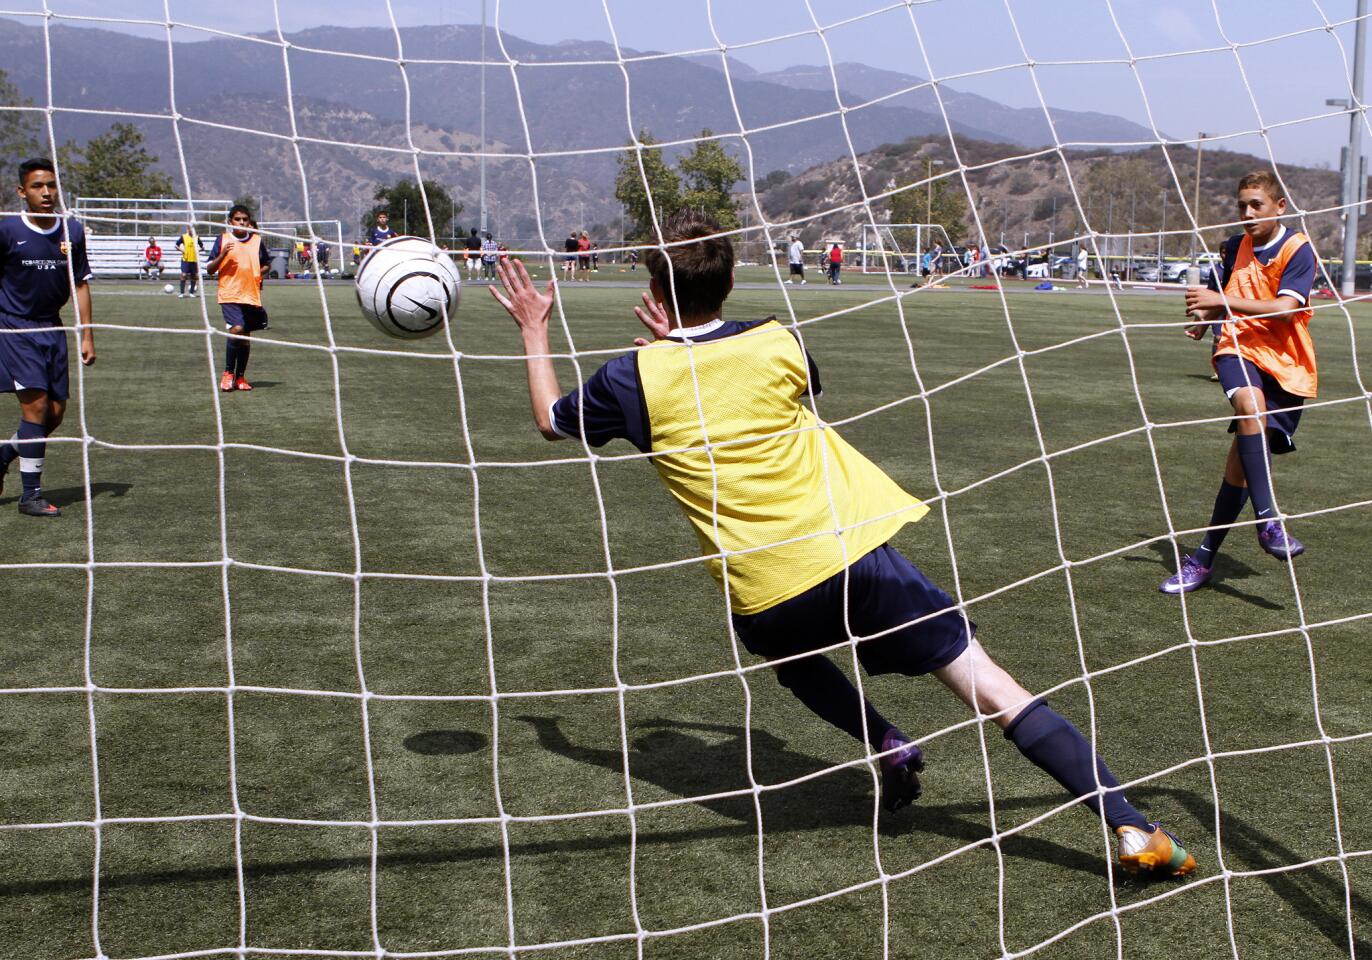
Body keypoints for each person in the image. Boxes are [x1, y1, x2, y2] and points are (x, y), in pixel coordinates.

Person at [490, 207, 1197, 878]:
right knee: (993, 689)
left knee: (792, 660)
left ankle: (887, 742)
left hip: (765, 592)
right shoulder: (779, 341)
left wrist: (534, 329)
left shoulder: (629, 379)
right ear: (732, 281)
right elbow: (754, 383)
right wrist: (682, 349)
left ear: (652, 289)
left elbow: (553, 421)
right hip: (855, 555)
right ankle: (1131, 824)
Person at [1161, 171, 1318, 594]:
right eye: (1241, 206)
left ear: (1279, 206)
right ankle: (1269, 521)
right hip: (1238, 347)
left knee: (1241, 469)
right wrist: (1202, 320)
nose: (1246, 214)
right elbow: (1217, 297)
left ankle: (1202, 559)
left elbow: (1285, 310)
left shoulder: (1298, 249)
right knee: (1250, 405)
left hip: (1285, 364)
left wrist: (1218, 302)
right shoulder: (1233, 247)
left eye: (1256, 205)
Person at [0, 158, 96, 518]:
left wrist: (86, 335)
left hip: (52, 327)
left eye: (51, 185)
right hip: (14, 327)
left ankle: (5, 455)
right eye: (38, 186)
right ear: (21, 192)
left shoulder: (71, 230)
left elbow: (81, 284)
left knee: (54, 414)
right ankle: (31, 496)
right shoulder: (7, 231)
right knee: (36, 407)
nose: (46, 192)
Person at [204, 204, 272, 393]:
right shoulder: (223, 239)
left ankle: (240, 377)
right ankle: (228, 373)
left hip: (250, 294)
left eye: (245, 219)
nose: (241, 222)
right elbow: (210, 269)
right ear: (230, 222)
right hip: (229, 293)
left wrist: (258, 273)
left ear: (249, 222)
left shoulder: (257, 241)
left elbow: (266, 264)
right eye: (237, 219)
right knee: (237, 329)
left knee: (245, 338)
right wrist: (224, 253)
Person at [175, 227, 203, 298]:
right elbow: (176, 245)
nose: (192, 231)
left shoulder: (196, 237)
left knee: (194, 276)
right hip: (186, 260)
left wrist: (198, 251)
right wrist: (182, 250)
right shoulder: (184, 237)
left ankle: (191, 293)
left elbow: (202, 247)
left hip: (194, 260)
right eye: (190, 229)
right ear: (188, 230)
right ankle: (182, 293)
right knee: (183, 275)